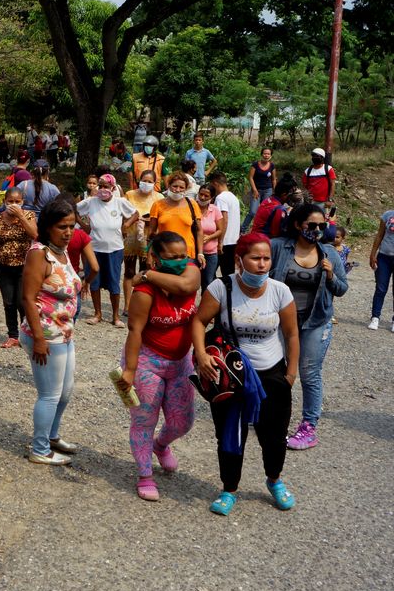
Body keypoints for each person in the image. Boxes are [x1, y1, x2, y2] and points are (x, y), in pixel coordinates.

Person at [191, 233, 300, 516]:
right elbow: (199, 321)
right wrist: (202, 356)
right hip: (231, 376)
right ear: (239, 260)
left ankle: (274, 480)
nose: (262, 265)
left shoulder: (279, 291)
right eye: (255, 258)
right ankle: (229, 489)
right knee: (230, 434)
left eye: (266, 259)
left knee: (274, 435)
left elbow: (291, 333)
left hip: (272, 374)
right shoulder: (221, 287)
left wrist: (290, 373)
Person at [117, 232, 200, 501]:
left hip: (180, 362)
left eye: (182, 255)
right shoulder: (143, 292)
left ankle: (160, 445)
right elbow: (135, 331)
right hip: (147, 361)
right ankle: (144, 475)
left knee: (183, 422)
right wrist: (129, 370)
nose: (179, 261)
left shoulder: (191, 272)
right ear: (155, 257)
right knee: (143, 420)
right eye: (171, 257)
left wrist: (149, 274)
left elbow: (187, 287)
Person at [270, 204, 347, 450]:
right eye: (311, 225)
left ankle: (308, 427)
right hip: (281, 321)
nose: (316, 230)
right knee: (274, 368)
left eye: (321, 226)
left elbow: (342, 289)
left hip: (315, 322)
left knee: (309, 372)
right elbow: (257, 269)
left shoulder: (329, 255)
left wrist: (332, 275)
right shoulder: (279, 247)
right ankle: (269, 415)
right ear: (297, 224)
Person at [21, 198, 88, 466]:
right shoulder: (39, 253)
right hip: (46, 334)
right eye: (62, 226)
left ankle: (51, 435)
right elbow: (27, 298)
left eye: (71, 226)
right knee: (49, 394)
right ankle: (39, 449)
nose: (68, 232)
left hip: (64, 332)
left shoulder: (62, 251)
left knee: (66, 391)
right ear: (48, 226)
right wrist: (38, 338)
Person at [77, 174, 137, 326]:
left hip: (115, 248)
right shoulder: (91, 202)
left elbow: (135, 214)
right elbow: (73, 209)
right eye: (100, 186)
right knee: (94, 282)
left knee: (114, 283)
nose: (103, 189)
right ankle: (98, 313)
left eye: (106, 186)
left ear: (113, 188)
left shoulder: (120, 202)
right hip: (94, 248)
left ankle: (116, 316)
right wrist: (83, 225)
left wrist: (126, 225)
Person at [0, 187, 37, 347]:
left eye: (17, 201)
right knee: (9, 302)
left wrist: (21, 216)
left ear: (23, 202)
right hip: (4, 266)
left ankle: (26, 334)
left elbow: (35, 235)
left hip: (24, 267)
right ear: (4, 201)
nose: (14, 204)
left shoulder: (29, 215)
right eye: (10, 201)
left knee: (22, 301)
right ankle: (13, 335)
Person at [121, 170, 160, 316]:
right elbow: (123, 213)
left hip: (148, 238)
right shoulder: (129, 194)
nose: (147, 183)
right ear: (139, 180)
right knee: (129, 271)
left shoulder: (159, 197)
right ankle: (127, 305)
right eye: (144, 180)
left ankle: (141, 305)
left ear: (155, 183)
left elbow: (160, 218)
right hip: (130, 238)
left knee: (145, 272)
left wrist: (147, 220)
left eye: (150, 181)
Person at [147, 171, 204, 267]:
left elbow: (199, 230)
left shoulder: (192, 204)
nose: (177, 190)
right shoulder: (158, 205)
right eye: (175, 186)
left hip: (186, 254)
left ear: (186, 189)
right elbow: (151, 232)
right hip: (164, 254)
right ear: (169, 186)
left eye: (181, 187)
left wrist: (200, 253)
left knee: (186, 281)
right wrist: (149, 255)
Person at [209, 171, 241, 277]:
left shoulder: (221, 198)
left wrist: (220, 241)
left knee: (210, 271)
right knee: (228, 272)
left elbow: (224, 219)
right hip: (233, 240)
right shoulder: (233, 197)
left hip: (225, 241)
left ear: (215, 184)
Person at [367, 208, 394, 331]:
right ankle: (375, 317)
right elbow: (379, 235)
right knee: (381, 288)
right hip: (384, 257)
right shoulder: (387, 215)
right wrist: (373, 254)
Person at [197, 183, 226, 291]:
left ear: (212, 198)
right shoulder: (192, 208)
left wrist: (209, 237)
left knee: (208, 282)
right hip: (193, 252)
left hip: (210, 254)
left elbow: (220, 230)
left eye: (206, 196)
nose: (202, 198)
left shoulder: (215, 210)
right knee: (193, 281)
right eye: (201, 194)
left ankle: (205, 306)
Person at [251, 174, 299, 238]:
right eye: (293, 194)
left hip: (255, 236)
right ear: (284, 195)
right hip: (262, 241)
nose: (294, 196)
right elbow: (275, 234)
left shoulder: (269, 199)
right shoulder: (279, 209)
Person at [242, 148, 276, 233]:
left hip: (268, 190)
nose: (266, 155)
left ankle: (263, 230)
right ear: (261, 154)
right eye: (265, 153)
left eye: (268, 154)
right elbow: (250, 177)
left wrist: (274, 190)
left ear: (271, 156)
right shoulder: (255, 165)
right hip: (256, 190)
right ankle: (243, 229)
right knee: (253, 212)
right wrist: (254, 190)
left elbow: (274, 179)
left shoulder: (272, 166)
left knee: (266, 212)